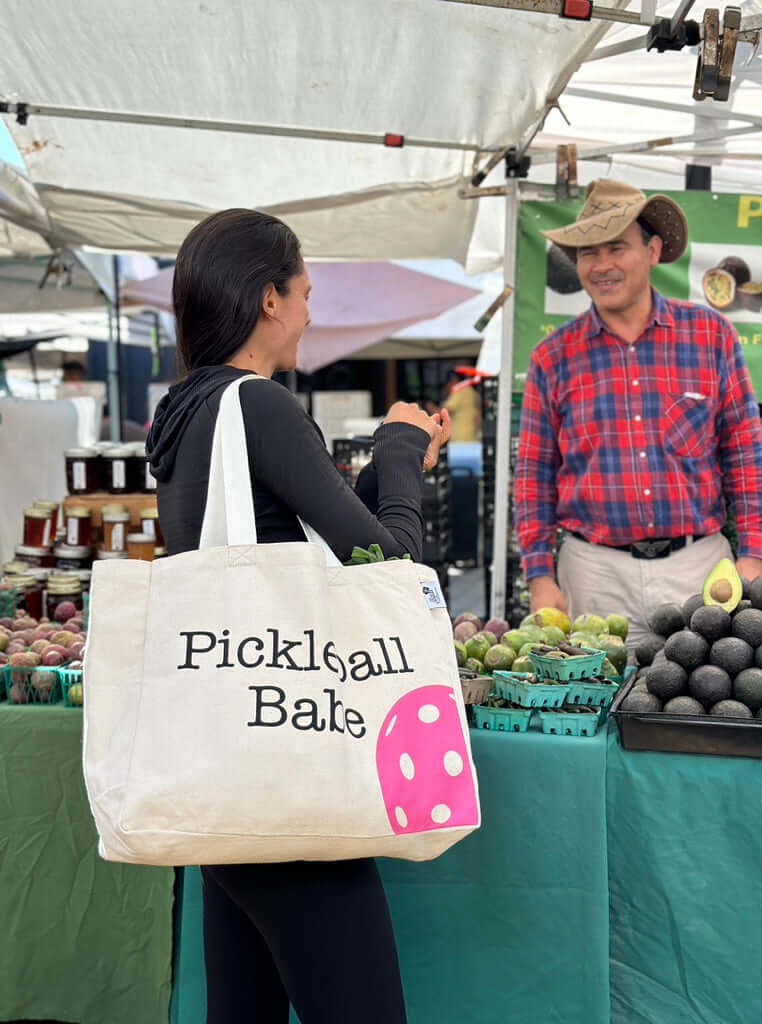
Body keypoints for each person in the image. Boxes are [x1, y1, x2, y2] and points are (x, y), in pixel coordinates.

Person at [145, 208, 450, 1024]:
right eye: (306, 292)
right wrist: (396, 454)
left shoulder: (182, 413)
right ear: (269, 299)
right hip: (288, 781)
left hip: (225, 770)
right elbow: (386, 567)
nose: (312, 312)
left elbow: (294, 537)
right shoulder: (260, 406)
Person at [515, 179, 762, 646]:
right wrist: (539, 576)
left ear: (653, 252)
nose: (602, 265)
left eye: (617, 248)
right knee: (591, 708)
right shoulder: (552, 357)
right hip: (593, 572)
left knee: (700, 703)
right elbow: (533, 475)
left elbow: (746, 452)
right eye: (589, 253)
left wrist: (753, 553)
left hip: (698, 569)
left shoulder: (710, 335)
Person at [442, 368, 480, 442]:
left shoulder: (460, 391)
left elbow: (445, 412)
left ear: (454, 381)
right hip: (473, 439)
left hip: (460, 441)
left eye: (447, 383)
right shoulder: (473, 392)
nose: (447, 386)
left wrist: (428, 406)